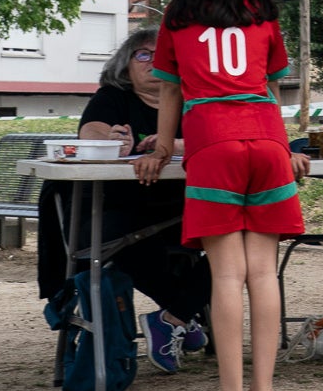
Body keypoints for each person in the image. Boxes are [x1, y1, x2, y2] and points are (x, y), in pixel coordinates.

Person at [134, 0, 308, 391]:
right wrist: (288, 146)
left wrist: (165, 146)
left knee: (227, 275)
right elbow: (272, 86)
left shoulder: (178, 15)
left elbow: (170, 88)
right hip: (268, 141)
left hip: (213, 143)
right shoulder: (264, 11)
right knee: (264, 274)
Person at [36, 28, 212, 373]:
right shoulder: (113, 97)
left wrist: (171, 145)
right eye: (142, 55)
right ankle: (180, 316)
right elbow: (90, 133)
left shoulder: (194, 100)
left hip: (180, 208)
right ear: (125, 66)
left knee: (240, 237)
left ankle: (174, 317)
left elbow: (215, 140)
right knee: (122, 240)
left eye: (160, 57)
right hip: (119, 207)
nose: (152, 63)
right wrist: (112, 139)